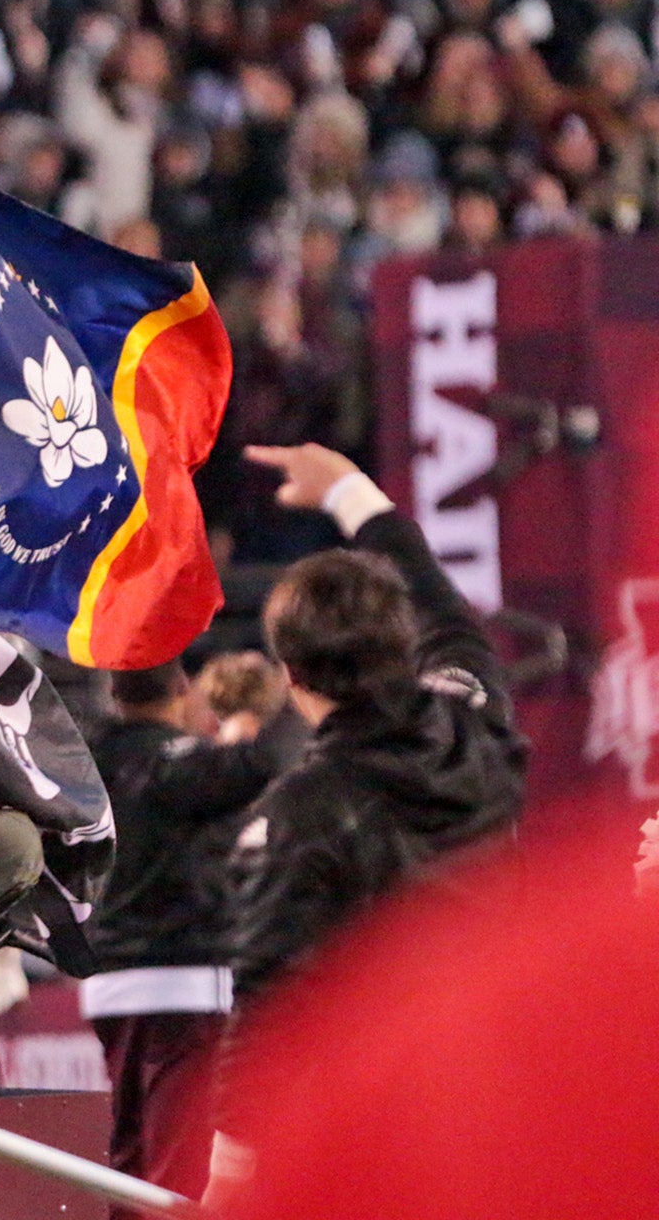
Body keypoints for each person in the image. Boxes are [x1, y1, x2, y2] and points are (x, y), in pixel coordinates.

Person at [211, 442, 533, 1194]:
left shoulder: (301, 813)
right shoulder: (478, 722)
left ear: (289, 677)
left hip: (377, 1130)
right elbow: (444, 608)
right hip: (497, 1098)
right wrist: (354, 493)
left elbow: (267, 1007)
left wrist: (227, 1173)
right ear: (402, 644)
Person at [84, 660, 303, 1211]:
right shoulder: (181, 767)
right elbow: (255, 765)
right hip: (183, 983)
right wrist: (270, 705)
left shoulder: (84, 762)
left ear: (112, 692)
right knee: (179, 1168)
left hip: (108, 982)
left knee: (128, 1160)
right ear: (182, 690)